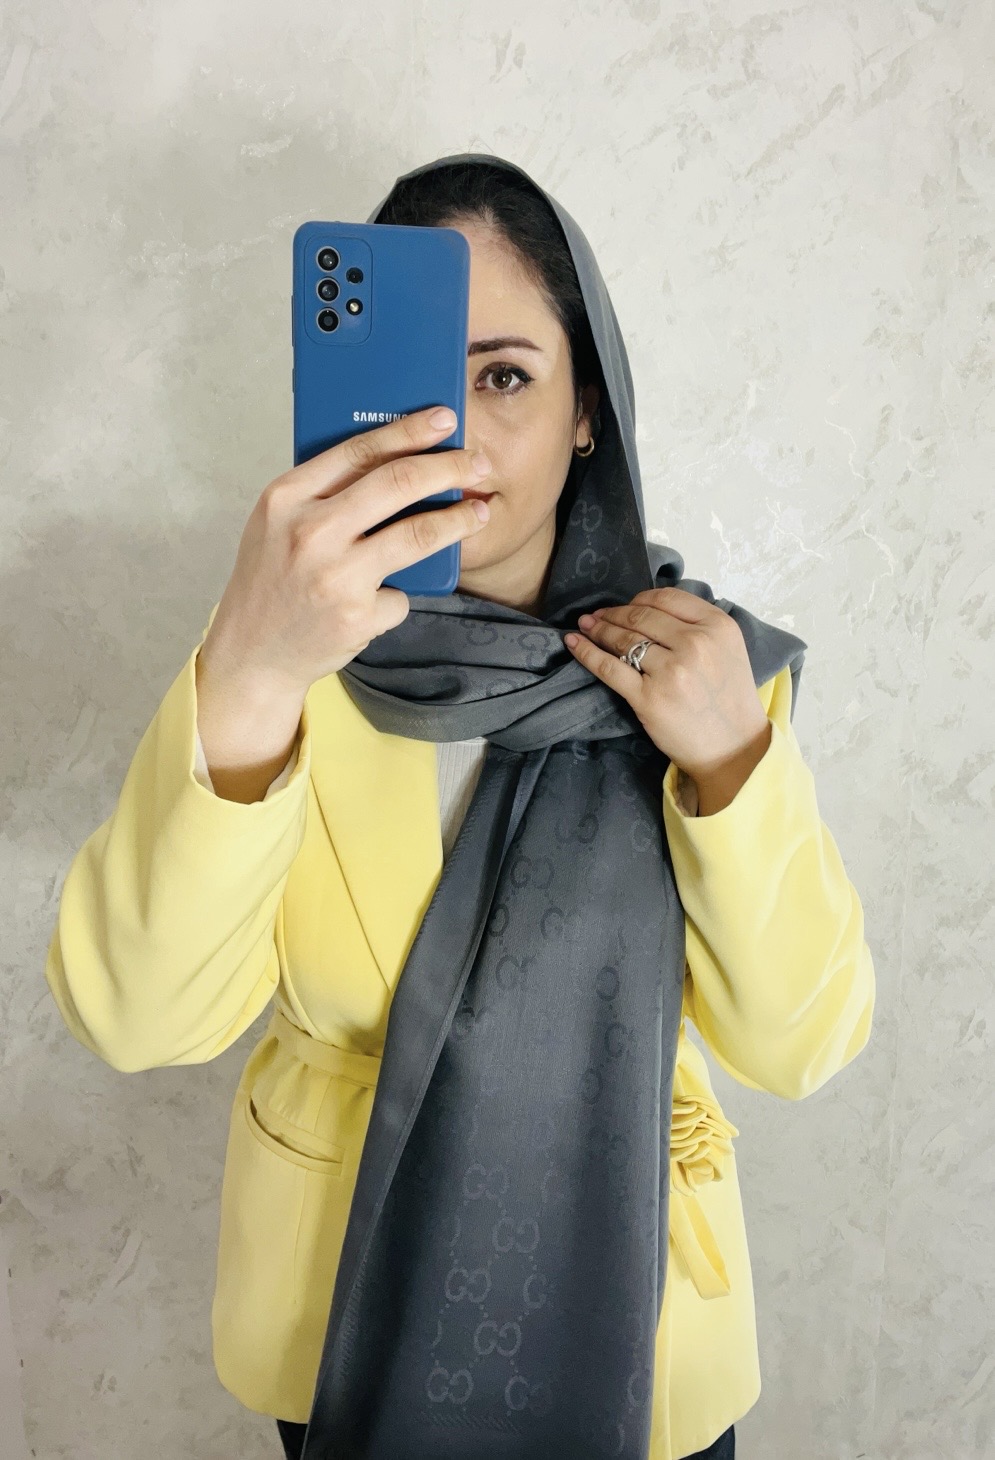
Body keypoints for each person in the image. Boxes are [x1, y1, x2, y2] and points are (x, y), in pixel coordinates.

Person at [45, 154, 875, 1460]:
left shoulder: (702, 674)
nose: (455, 432)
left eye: (506, 378)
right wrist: (251, 671)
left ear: (587, 408)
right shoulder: (278, 660)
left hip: (642, 1344)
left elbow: (801, 1044)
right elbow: (138, 1019)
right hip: (347, 1329)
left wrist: (730, 761)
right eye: (422, 377)